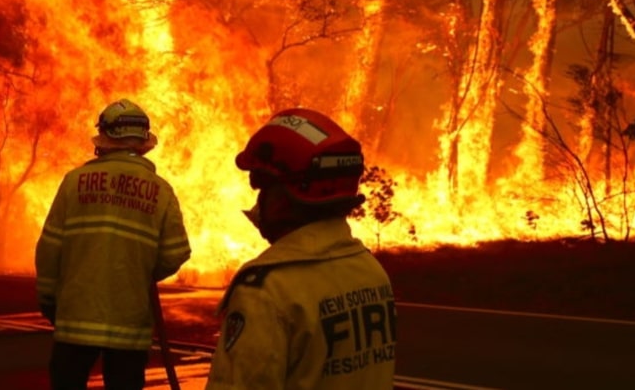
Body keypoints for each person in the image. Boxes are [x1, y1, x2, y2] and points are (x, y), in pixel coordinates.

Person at [205, 108, 396, 389]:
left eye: (263, 187)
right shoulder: (371, 272)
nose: (260, 201)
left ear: (287, 195)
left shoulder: (268, 291)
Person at [35, 98, 192, 390]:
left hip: (75, 320)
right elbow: (176, 252)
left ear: (103, 140)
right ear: (144, 143)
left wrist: (47, 296)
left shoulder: (74, 181)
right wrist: (139, 268)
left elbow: (50, 246)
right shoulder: (162, 192)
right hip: (128, 325)